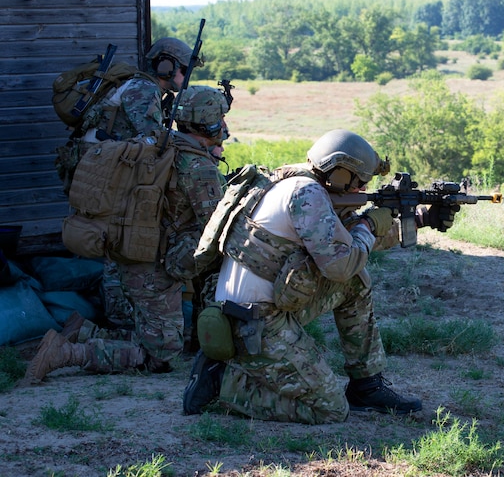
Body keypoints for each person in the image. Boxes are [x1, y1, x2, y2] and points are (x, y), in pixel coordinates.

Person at [182, 129, 456, 424]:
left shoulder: (290, 180)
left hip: (261, 309)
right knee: (330, 409)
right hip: (254, 323)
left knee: (355, 283)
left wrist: (422, 219)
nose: (361, 191)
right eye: (359, 183)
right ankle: (224, 383)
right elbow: (341, 262)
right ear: (340, 174)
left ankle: (366, 385)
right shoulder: (306, 194)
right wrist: (367, 224)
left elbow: (342, 245)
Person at [26, 86, 229, 382]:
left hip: (130, 252)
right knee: (161, 356)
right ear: (209, 124)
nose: (224, 126)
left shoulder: (157, 145)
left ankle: (82, 331)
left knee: (151, 330)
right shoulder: (198, 166)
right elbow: (216, 224)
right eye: (220, 120)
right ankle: (65, 354)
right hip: (155, 267)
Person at [55, 37, 202, 329]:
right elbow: (153, 140)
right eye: (183, 70)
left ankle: (119, 313)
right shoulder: (143, 89)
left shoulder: (143, 87)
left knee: (116, 241)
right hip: (108, 178)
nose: (186, 78)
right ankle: (119, 319)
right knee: (116, 241)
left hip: (108, 173)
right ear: (165, 65)